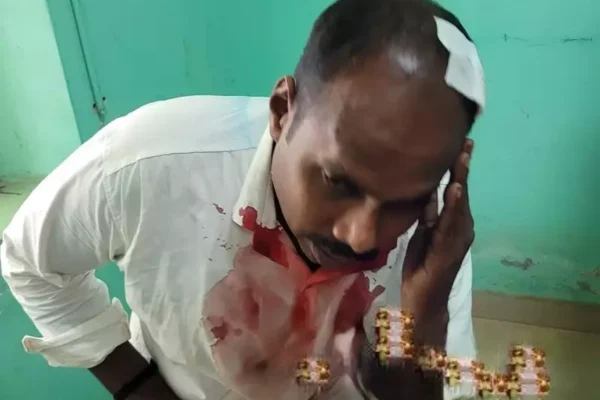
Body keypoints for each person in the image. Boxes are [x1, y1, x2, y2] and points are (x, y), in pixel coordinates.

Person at [0, 0, 485, 398]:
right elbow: (29, 261)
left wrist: (427, 312)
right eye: (338, 181)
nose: (361, 236)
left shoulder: (435, 235)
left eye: (402, 202)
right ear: (282, 110)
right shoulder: (152, 163)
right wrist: (138, 388)